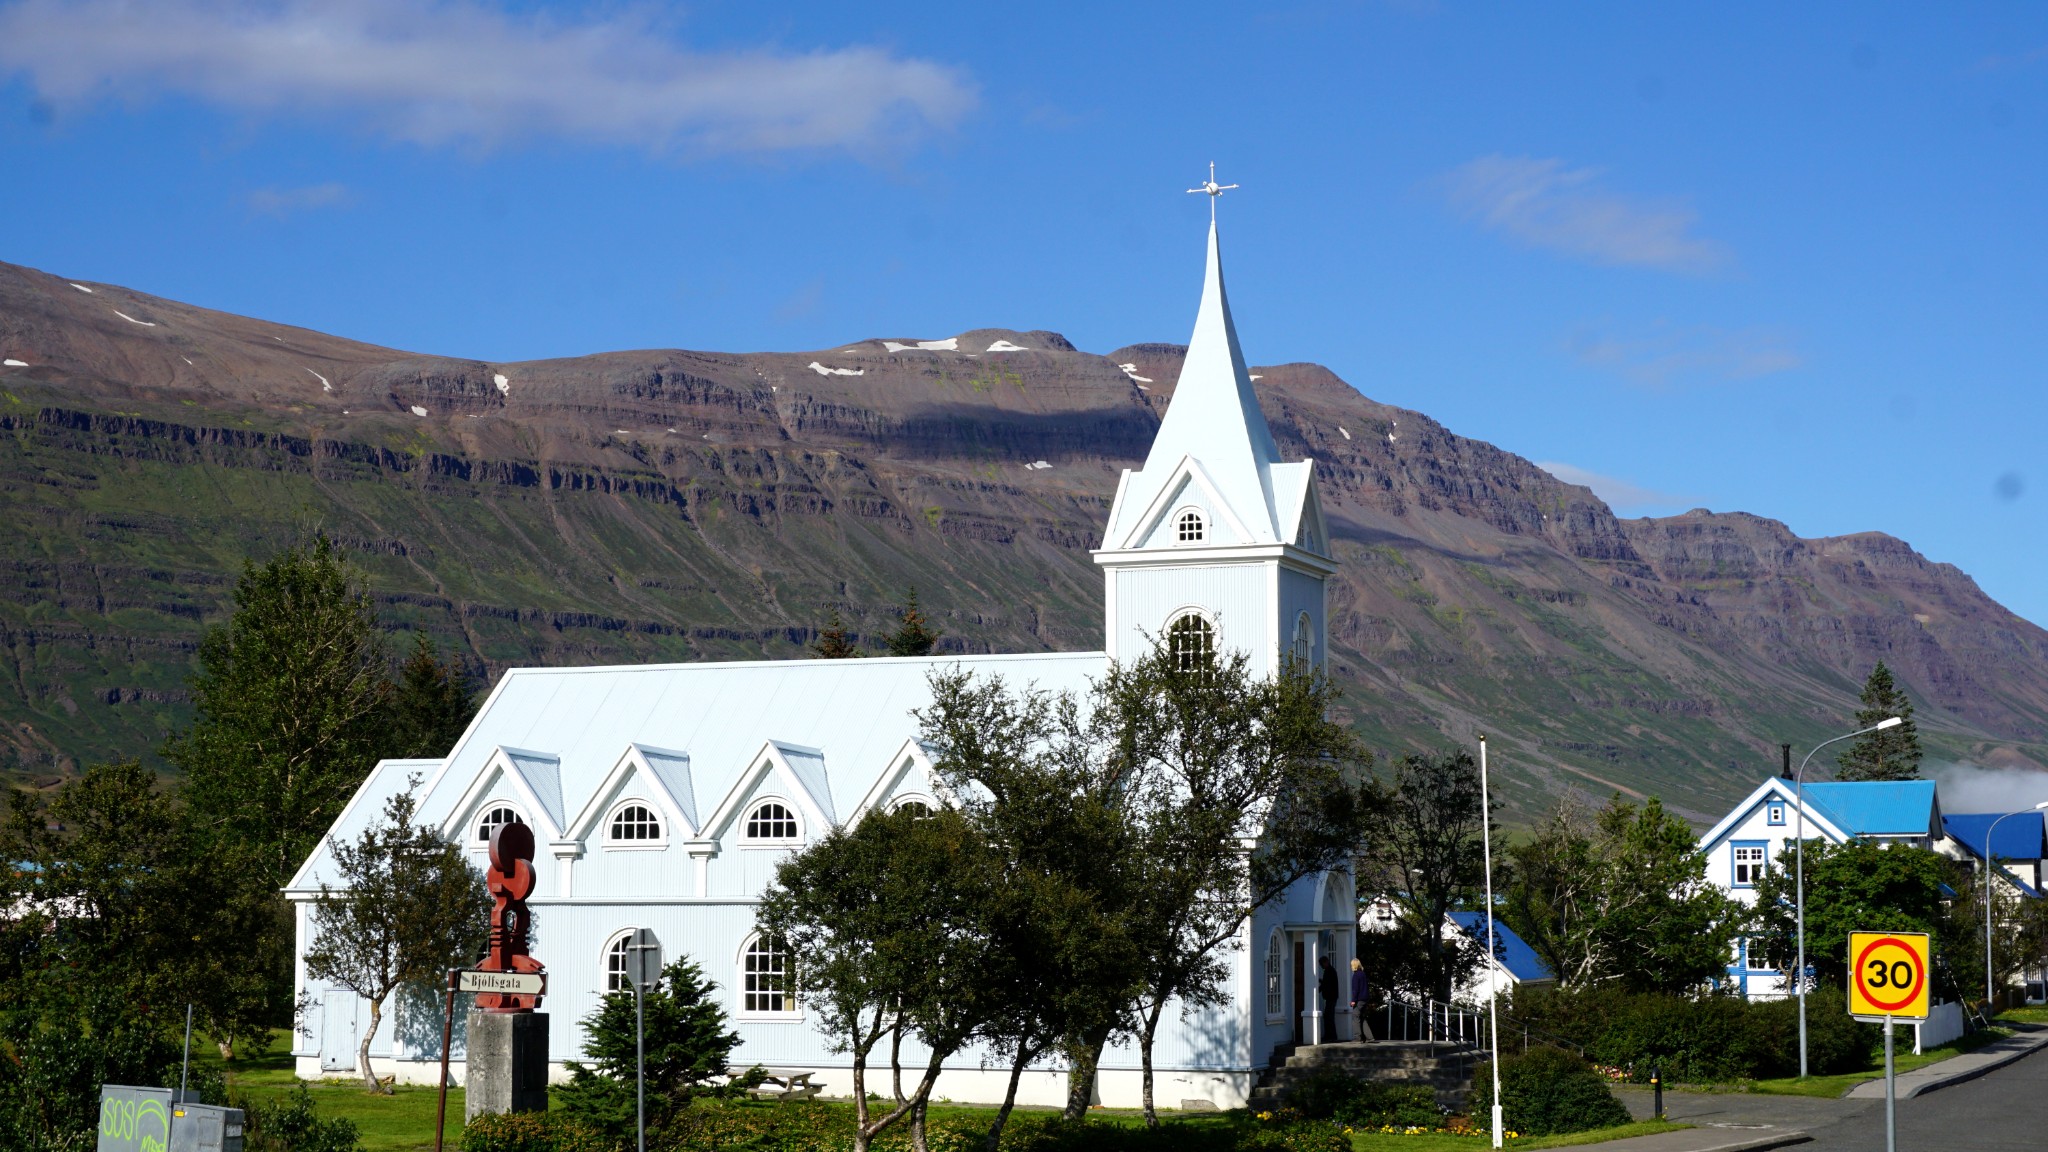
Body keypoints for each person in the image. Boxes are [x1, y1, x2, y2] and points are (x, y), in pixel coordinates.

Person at [1349, 957, 1374, 1041]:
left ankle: (1357, 1037)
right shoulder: (1363, 974)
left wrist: (1353, 1000)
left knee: (1355, 1016)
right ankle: (1370, 1037)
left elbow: (1355, 989)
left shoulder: (1356, 975)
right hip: (1365, 999)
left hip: (1359, 999)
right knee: (1362, 1017)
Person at [1317, 956, 1339, 1043]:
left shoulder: (1329, 971)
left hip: (1331, 997)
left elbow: (1327, 984)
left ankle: (1331, 1036)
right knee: (1328, 1016)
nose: (1321, 966)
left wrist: (1319, 989)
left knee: (1329, 1016)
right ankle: (1330, 1035)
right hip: (1331, 997)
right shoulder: (1330, 970)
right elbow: (1327, 983)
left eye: (1321, 964)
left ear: (1325, 962)